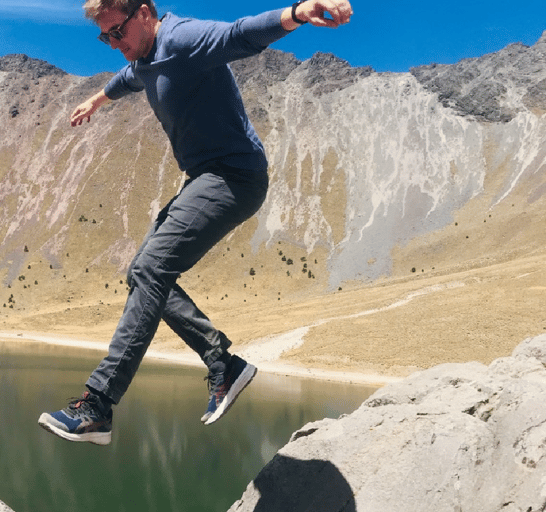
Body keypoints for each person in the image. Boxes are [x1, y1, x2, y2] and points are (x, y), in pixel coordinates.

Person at [38, 0, 353, 445]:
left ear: (144, 12)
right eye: (105, 37)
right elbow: (130, 78)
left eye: (118, 31)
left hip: (235, 175)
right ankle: (224, 362)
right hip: (205, 178)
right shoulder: (142, 57)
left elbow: (239, 35)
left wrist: (300, 11)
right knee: (143, 273)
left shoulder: (182, 38)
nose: (114, 44)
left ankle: (98, 405)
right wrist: (96, 99)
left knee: (151, 270)